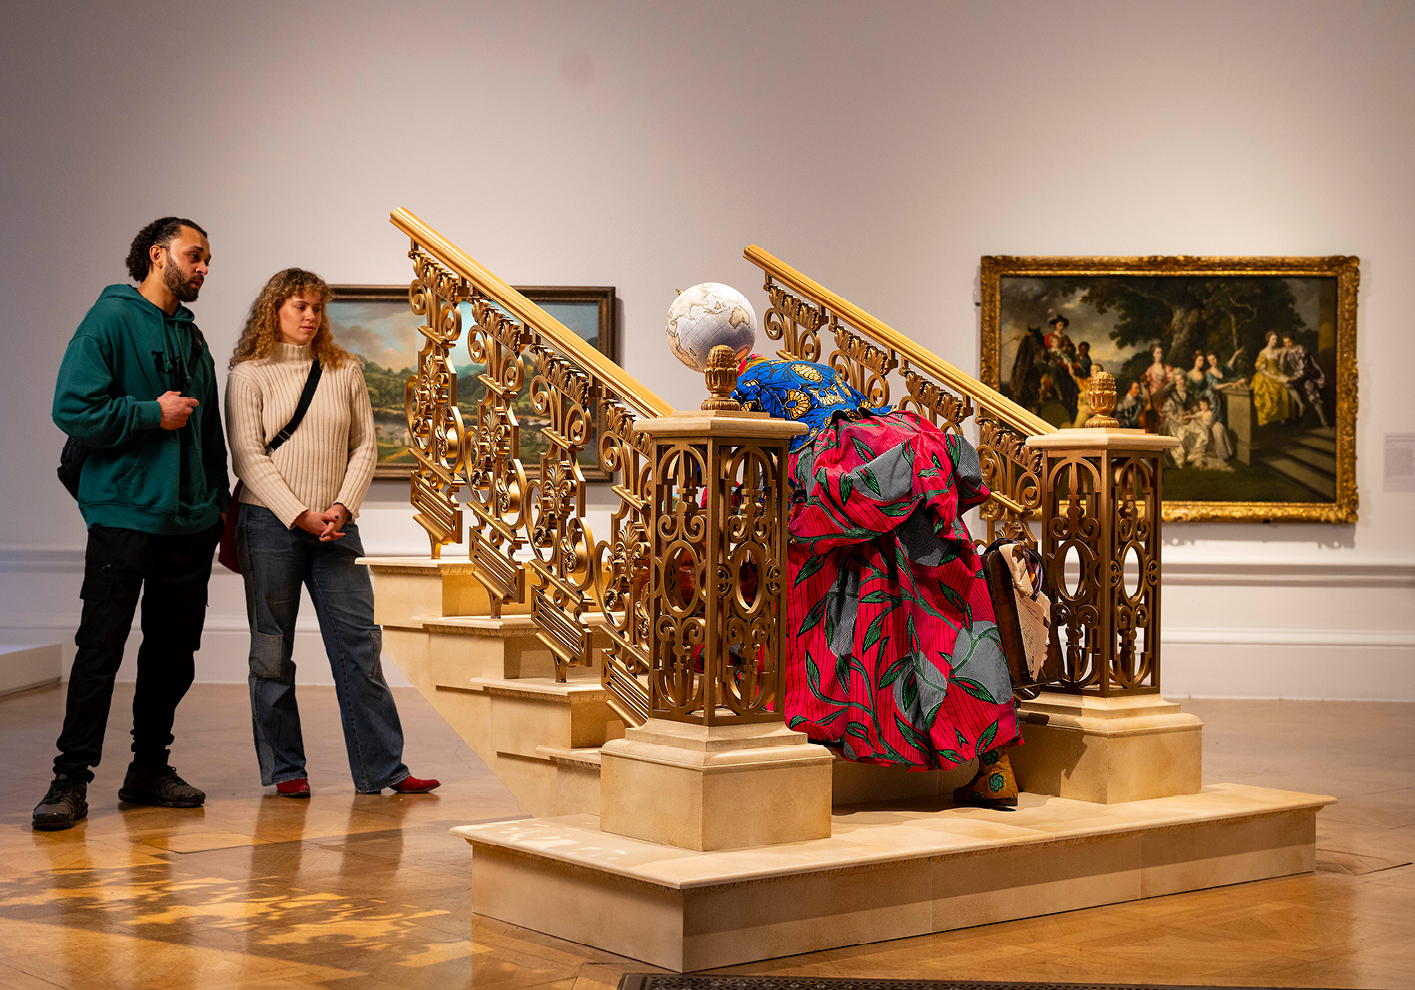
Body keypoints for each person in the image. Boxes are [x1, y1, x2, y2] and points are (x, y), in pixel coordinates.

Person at [732, 355, 1023, 807]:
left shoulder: (757, 392)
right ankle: (995, 767)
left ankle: (849, 735)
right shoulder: (889, 418)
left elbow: (750, 459)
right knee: (952, 632)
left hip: (864, 507)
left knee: (862, 633)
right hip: (921, 492)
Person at [34, 217, 228, 832]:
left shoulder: (194, 340)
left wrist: (218, 514)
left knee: (173, 655)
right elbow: (73, 407)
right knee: (101, 650)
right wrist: (152, 413)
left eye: (206, 260)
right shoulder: (109, 319)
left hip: (190, 524)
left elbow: (210, 437)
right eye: (194, 256)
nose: (203, 268)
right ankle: (69, 779)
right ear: (156, 254)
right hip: (124, 517)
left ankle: (149, 769)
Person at [226, 269, 437, 797]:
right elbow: (248, 457)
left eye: (317, 307)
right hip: (268, 524)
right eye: (299, 306)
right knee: (271, 654)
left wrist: (342, 506)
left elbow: (365, 445)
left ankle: (384, 770)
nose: (310, 316)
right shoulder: (248, 374)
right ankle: (286, 771)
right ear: (274, 309)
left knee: (360, 649)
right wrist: (299, 513)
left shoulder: (345, 369)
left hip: (338, 527)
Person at [1279, 331, 1329, 428]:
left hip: (1309, 374)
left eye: (1288, 342)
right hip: (1300, 375)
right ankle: (1301, 405)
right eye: (1285, 343)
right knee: (1287, 385)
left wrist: (1296, 376)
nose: (1287, 344)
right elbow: (1283, 369)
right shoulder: (1288, 353)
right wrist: (1282, 358)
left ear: (1293, 340)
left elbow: (1305, 367)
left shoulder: (1301, 349)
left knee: (1312, 394)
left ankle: (1324, 421)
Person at [1251, 330, 1291, 427]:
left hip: (1276, 373)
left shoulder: (1276, 350)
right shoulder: (1263, 352)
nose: (1275, 341)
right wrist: (1272, 376)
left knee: (1287, 386)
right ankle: (1271, 419)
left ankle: (1282, 416)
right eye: (1273, 339)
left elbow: (1286, 349)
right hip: (1266, 375)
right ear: (1268, 339)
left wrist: (1281, 358)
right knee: (1273, 392)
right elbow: (1261, 369)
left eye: (1276, 339)